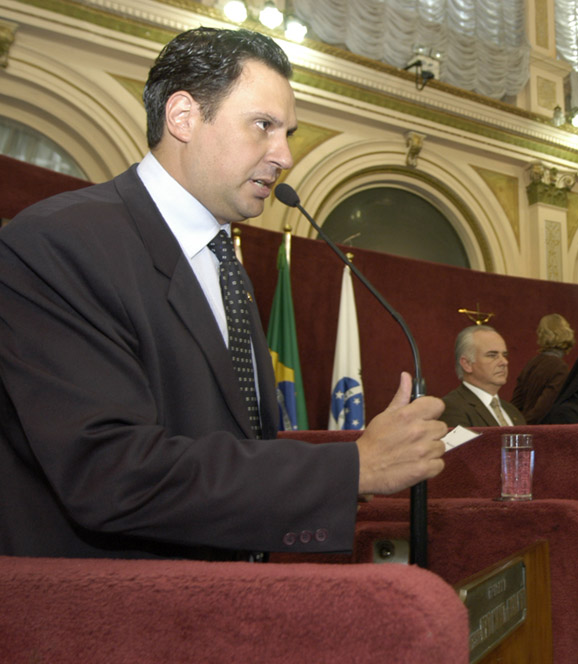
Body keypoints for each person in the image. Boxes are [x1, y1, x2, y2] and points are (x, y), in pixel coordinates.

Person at [0, 28, 446, 559]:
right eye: (263, 126)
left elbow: (231, 442)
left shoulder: (223, 261)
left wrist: (358, 462)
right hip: (113, 600)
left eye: (287, 133)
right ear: (183, 117)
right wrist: (353, 467)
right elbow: (110, 473)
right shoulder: (59, 243)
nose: (285, 156)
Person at [440, 325, 526, 427]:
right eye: (492, 355)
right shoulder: (452, 407)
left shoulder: (512, 411)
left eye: (504, 355)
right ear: (467, 364)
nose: (504, 362)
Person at [511, 313, 575, 424]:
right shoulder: (560, 368)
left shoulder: (531, 363)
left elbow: (515, 404)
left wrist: (516, 425)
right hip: (540, 429)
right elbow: (543, 409)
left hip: (522, 426)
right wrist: (524, 426)